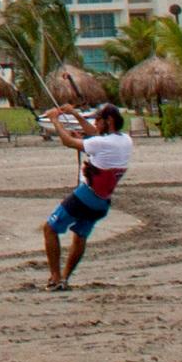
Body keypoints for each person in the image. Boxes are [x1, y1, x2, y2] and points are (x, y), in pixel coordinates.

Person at [40, 102, 133, 288]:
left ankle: (55, 278)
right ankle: (64, 279)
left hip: (85, 197)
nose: (95, 124)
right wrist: (75, 114)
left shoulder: (101, 143)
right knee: (80, 235)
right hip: (102, 203)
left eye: (98, 120)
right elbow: (95, 135)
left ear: (109, 121)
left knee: (50, 228)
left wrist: (55, 120)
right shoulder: (125, 140)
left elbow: (68, 142)